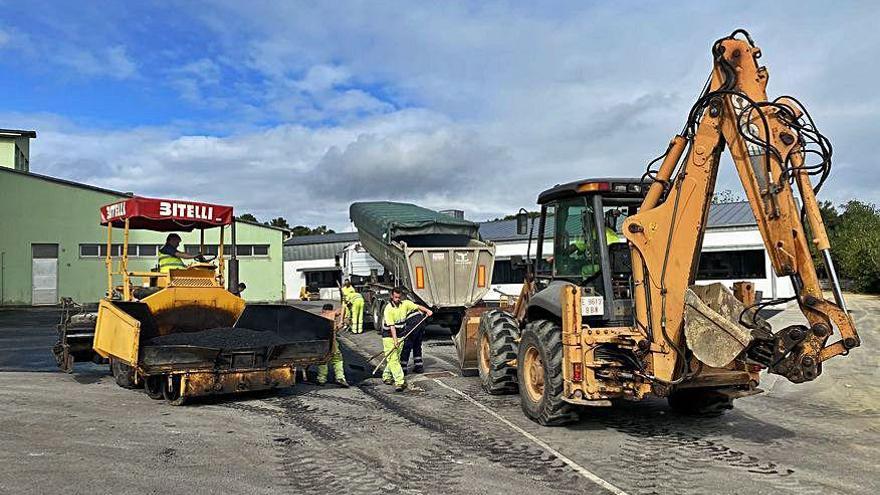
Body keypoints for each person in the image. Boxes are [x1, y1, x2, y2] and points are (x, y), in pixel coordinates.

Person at [382, 287, 432, 390]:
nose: (397, 299)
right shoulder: (388, 309)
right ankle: (400, 382)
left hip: (400, 335)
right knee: (393, 359)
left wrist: (427, 310)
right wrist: (395, 341)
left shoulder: (405, 304)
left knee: (394, 358)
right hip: (389, 336)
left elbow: (417, 306)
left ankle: (386, 376)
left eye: (399, 297)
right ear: (392, 296)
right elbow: (392, 327)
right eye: (395, 297)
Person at [315, 303, 349, 387]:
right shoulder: (332, 313)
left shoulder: (319, 317)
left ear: (323, 309)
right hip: (332, 342)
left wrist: (338, 326)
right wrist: (345, 308)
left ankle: (321, 379)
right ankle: (340, 378)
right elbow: (341, 311)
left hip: (322, 343)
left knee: (323, 360)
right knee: (337, 360)